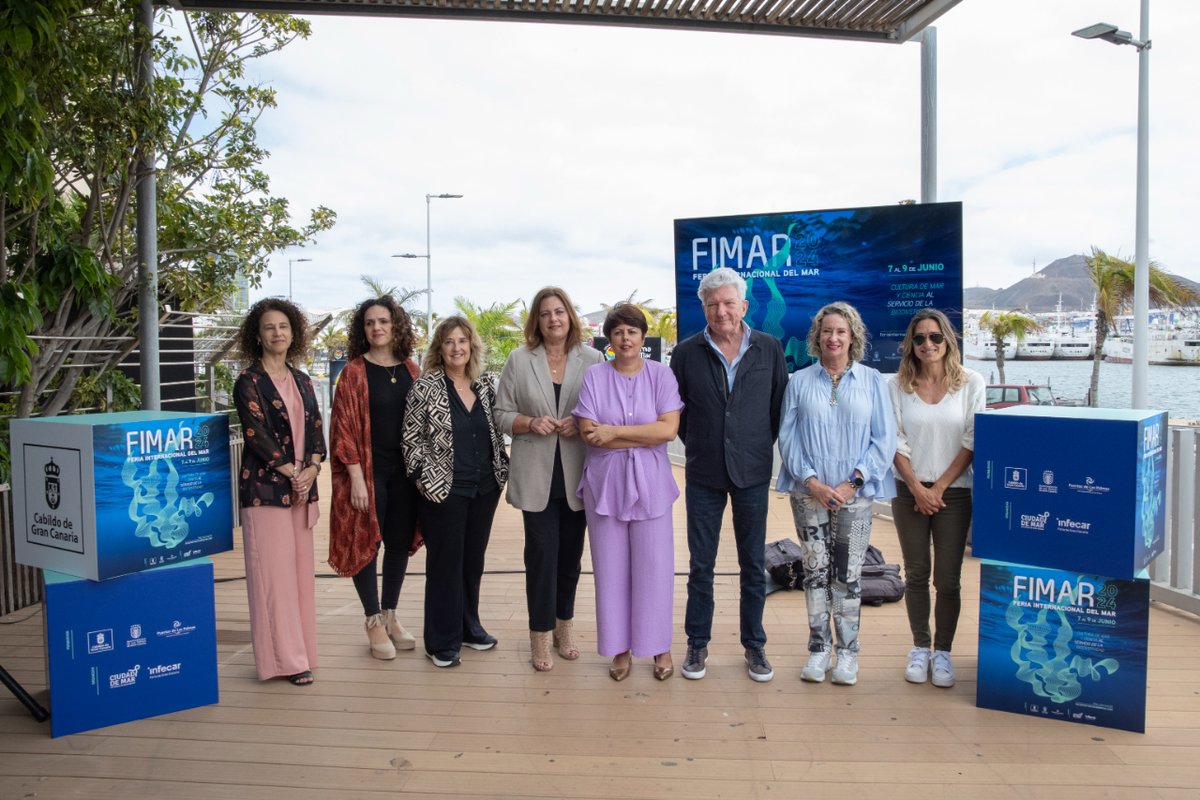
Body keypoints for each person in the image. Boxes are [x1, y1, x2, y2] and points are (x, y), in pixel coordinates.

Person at [669, 268, 787, 683]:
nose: (721, 311)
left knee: (753, 564)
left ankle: (754, 645)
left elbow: (777, 410)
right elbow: (676, 413)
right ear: (703, 307)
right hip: (703, 471)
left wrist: (750, 445)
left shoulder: (770, 349)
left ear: (744, 306)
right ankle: (697, 641)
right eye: (712, 304)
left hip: (753, 471)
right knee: (701, 565)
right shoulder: (685, 353)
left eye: (728, 303)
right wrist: (704, 443)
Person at [777, 301, 896, 686]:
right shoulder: (799, 382)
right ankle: (817, 650)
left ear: (852, 337)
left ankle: (847, 654)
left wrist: (852, 483)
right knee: (814, 574)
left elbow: (884, 440)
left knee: (847, 576)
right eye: (827, 330)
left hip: (856, 498)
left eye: (841, 331)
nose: (833, 337)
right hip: (809, 495)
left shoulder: (874, 382)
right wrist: (811, 480)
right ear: (817, 336)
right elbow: (788, 436)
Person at [495, 287, 604, 671]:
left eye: (559, 312)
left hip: (578, 475)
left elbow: (606, 413)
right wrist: (529, 422)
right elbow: (501, 413)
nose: (553, 319)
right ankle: (539, 637)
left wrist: (583, 422)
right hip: (535, 475)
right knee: (541, 557)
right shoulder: (519, 360)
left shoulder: (592, 360)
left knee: (571, 560)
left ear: (570, 316)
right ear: (536, 321)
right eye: (545, 314)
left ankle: (564, 628)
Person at [573, 304, 683, 682]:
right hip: (604, 485)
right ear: (609, 338)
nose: (625, 339)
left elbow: (667, 431)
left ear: (642, 336)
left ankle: (659, 647)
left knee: (654, 568)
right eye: (617, 332)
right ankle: (619, 649)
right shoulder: (593, 376)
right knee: (610, 569)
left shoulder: (662, 375)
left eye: (632, 332)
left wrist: (614, 433)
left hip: (651, 484)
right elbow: (589, 433)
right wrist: (639, 434)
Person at [402, 316, 509, 668]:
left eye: (462, 340)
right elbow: (411, 438)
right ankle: (440, 641)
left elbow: (501, 425)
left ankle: (468, 627)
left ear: (472, 346)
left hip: (485, 487)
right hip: (442, 490)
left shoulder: (486, 385)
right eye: (449, 341)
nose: (456, 348)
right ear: (440, 348)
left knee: (472, 563)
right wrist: (419, 476)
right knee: (445, 564)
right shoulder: (426, 386)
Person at [233, 298, 326, 686]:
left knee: (301, 576)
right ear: (258, 334)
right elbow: (257, 435)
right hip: (266, 490)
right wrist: (294, 473)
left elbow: (318, 431)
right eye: (270, 327)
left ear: (294, 333)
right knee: (273, 577)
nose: (278, 333)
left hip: (302, 489)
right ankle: (284, 661)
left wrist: (313, 469)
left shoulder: (303, 380)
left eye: (284, 327)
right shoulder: (248, 382)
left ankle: (302, 651)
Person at [889, 308, 985, 689]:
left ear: (948, 340)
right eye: (919, 338)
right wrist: (916, 486)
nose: (927, 344)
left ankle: (942, 651)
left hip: (954, 494)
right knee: (915, 574)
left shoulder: (972, 383)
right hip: (908, 491)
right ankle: (920, 647)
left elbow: (972, 439)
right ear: (910, 345)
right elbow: (893, 439)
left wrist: (939, 488)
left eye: (935, 337)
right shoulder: (897, 385)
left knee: (948, 579)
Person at [328, 297, 423, 661]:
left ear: (396, 325)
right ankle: (372, 620)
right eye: (369, 323)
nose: (377, 328)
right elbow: (343, 429)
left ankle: (391, 614)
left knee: (398, 543)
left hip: (405, 475)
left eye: (383, 321)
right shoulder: (353, 372)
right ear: (362, 329)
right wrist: (355, 477)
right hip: (366, 473)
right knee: (366, 541)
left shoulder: (412, 370)